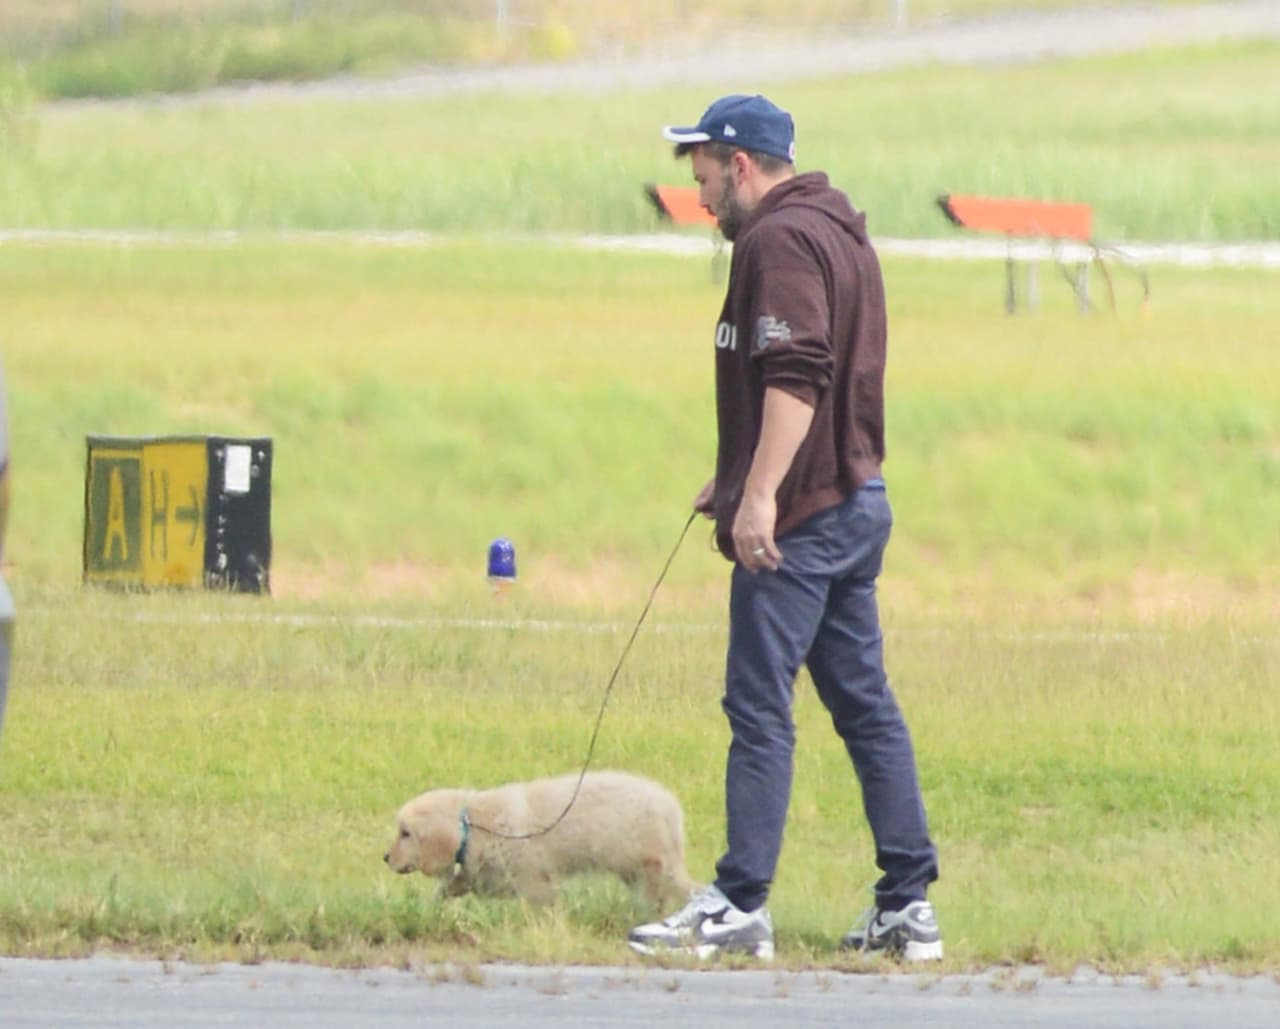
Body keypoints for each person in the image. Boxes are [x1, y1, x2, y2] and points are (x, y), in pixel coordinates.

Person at [628, 94, 941, 962]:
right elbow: (824, 382)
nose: (698, 193)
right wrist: (735, 475)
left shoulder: (778, 241)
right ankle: (907, 906)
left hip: (801, 520)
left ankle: (738, 904)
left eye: (702, 173)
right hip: (850, 500)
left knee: (759, 705)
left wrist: (760, 494)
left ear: (740, 164)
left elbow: (798, 373)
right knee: (866, 707)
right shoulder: (838, 230)